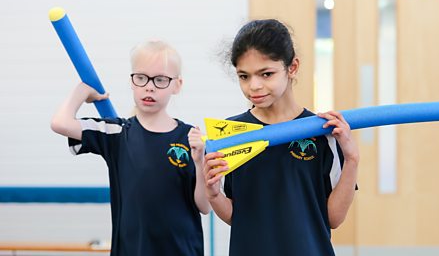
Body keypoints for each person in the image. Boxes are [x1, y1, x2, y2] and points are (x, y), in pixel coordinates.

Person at [199, 19, 360, 255]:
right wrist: (213, 195)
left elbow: (334, 218)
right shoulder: (232, 134)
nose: (253, 86)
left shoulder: (322, 132)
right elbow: (236, 216)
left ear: (292, 67)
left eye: (266, 74)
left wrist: (352, 158)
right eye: (244, 76)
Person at [51, 40, 210, 256]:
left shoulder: (191, 138)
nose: (150, 86)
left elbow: (204, 206)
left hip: (183, 250)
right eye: (142, 78)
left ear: (177, 85)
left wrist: (200, 160)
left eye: (161, 79)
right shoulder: (116, 133)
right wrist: (82, 91)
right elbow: (60, 123)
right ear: (132, 81)